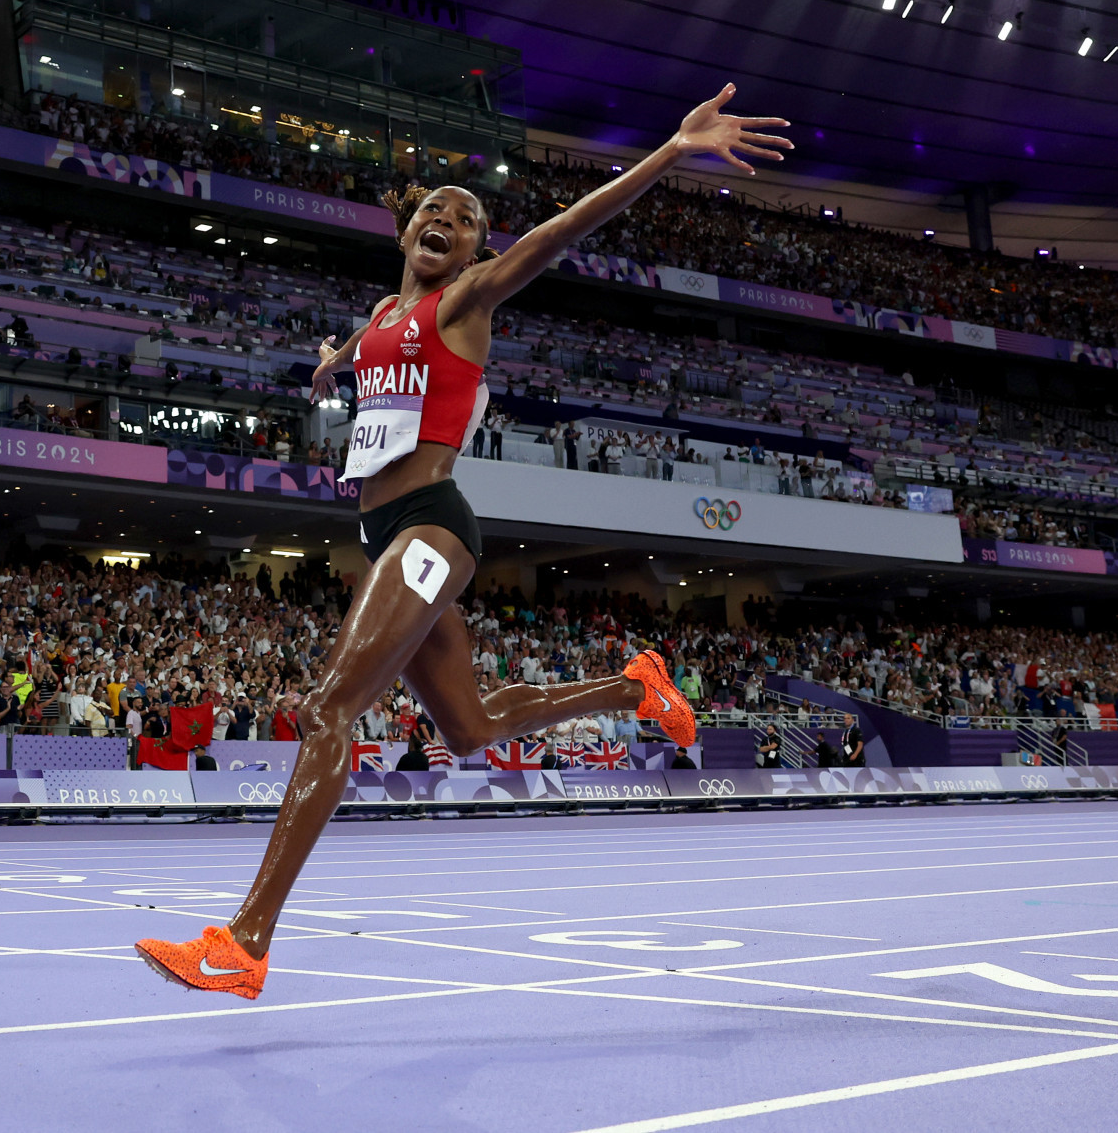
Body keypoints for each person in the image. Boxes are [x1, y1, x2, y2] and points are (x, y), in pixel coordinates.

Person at [137, 85, 789, 999]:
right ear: (406, 231)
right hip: (383, 533)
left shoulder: (466, 302)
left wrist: (670, 154)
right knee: (470, 727)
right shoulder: (377, 318)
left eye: (470, 218)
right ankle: (631, 686)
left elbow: (559, 232)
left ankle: (246, 941)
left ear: (479, 250)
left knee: (330, 709)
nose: (449, 219)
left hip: (433, 525)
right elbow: (361, 354)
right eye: (435, 210)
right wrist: (333, 363)